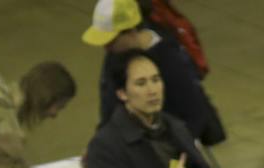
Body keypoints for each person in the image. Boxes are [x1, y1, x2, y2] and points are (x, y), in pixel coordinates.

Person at [82, 50, 234, 168]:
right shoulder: (105, 147)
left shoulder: (175, 126)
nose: (152, 90)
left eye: (156, 79)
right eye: (141, 83)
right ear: (122, 93)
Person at [82, 0, 223, 148]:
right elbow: (109, 112)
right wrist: (99, 145)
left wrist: (169, 156)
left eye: (110, 41)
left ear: (131, 31)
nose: (106, 47)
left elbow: (194, 116)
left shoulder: (170, 60)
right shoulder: (114, 57)